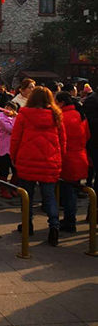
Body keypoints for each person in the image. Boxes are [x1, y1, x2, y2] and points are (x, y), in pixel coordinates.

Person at [10, 86, 66, 246]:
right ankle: (54, 226)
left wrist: (13, 156)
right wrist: (60, 158)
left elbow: (16, 138)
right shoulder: (56, 115)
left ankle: (27, 225)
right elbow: (63, 140)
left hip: (27, 159)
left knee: (27, 195)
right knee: (49, 196)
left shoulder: (24, 114)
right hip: (50, 161)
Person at [55, 91, 90, 232]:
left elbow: (58, 139)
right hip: (81, 156)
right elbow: (87, 136)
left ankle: (70, 221)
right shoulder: (80, 115)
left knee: (68, 191)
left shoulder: (61, 117)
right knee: (73, 190)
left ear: (62, 103)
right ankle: (70, 217)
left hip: (67, 159)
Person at [0, 101, 19, 198]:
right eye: (7, 107)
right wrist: (16, 118)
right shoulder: (1, 119)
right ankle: (4, 189)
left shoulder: (15, 118)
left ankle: (12, 187)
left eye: (11, 108)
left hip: (14, 147)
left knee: (16, 170)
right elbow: (12, 129)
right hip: (4, 147)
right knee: (4, 170)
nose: (8, 110)